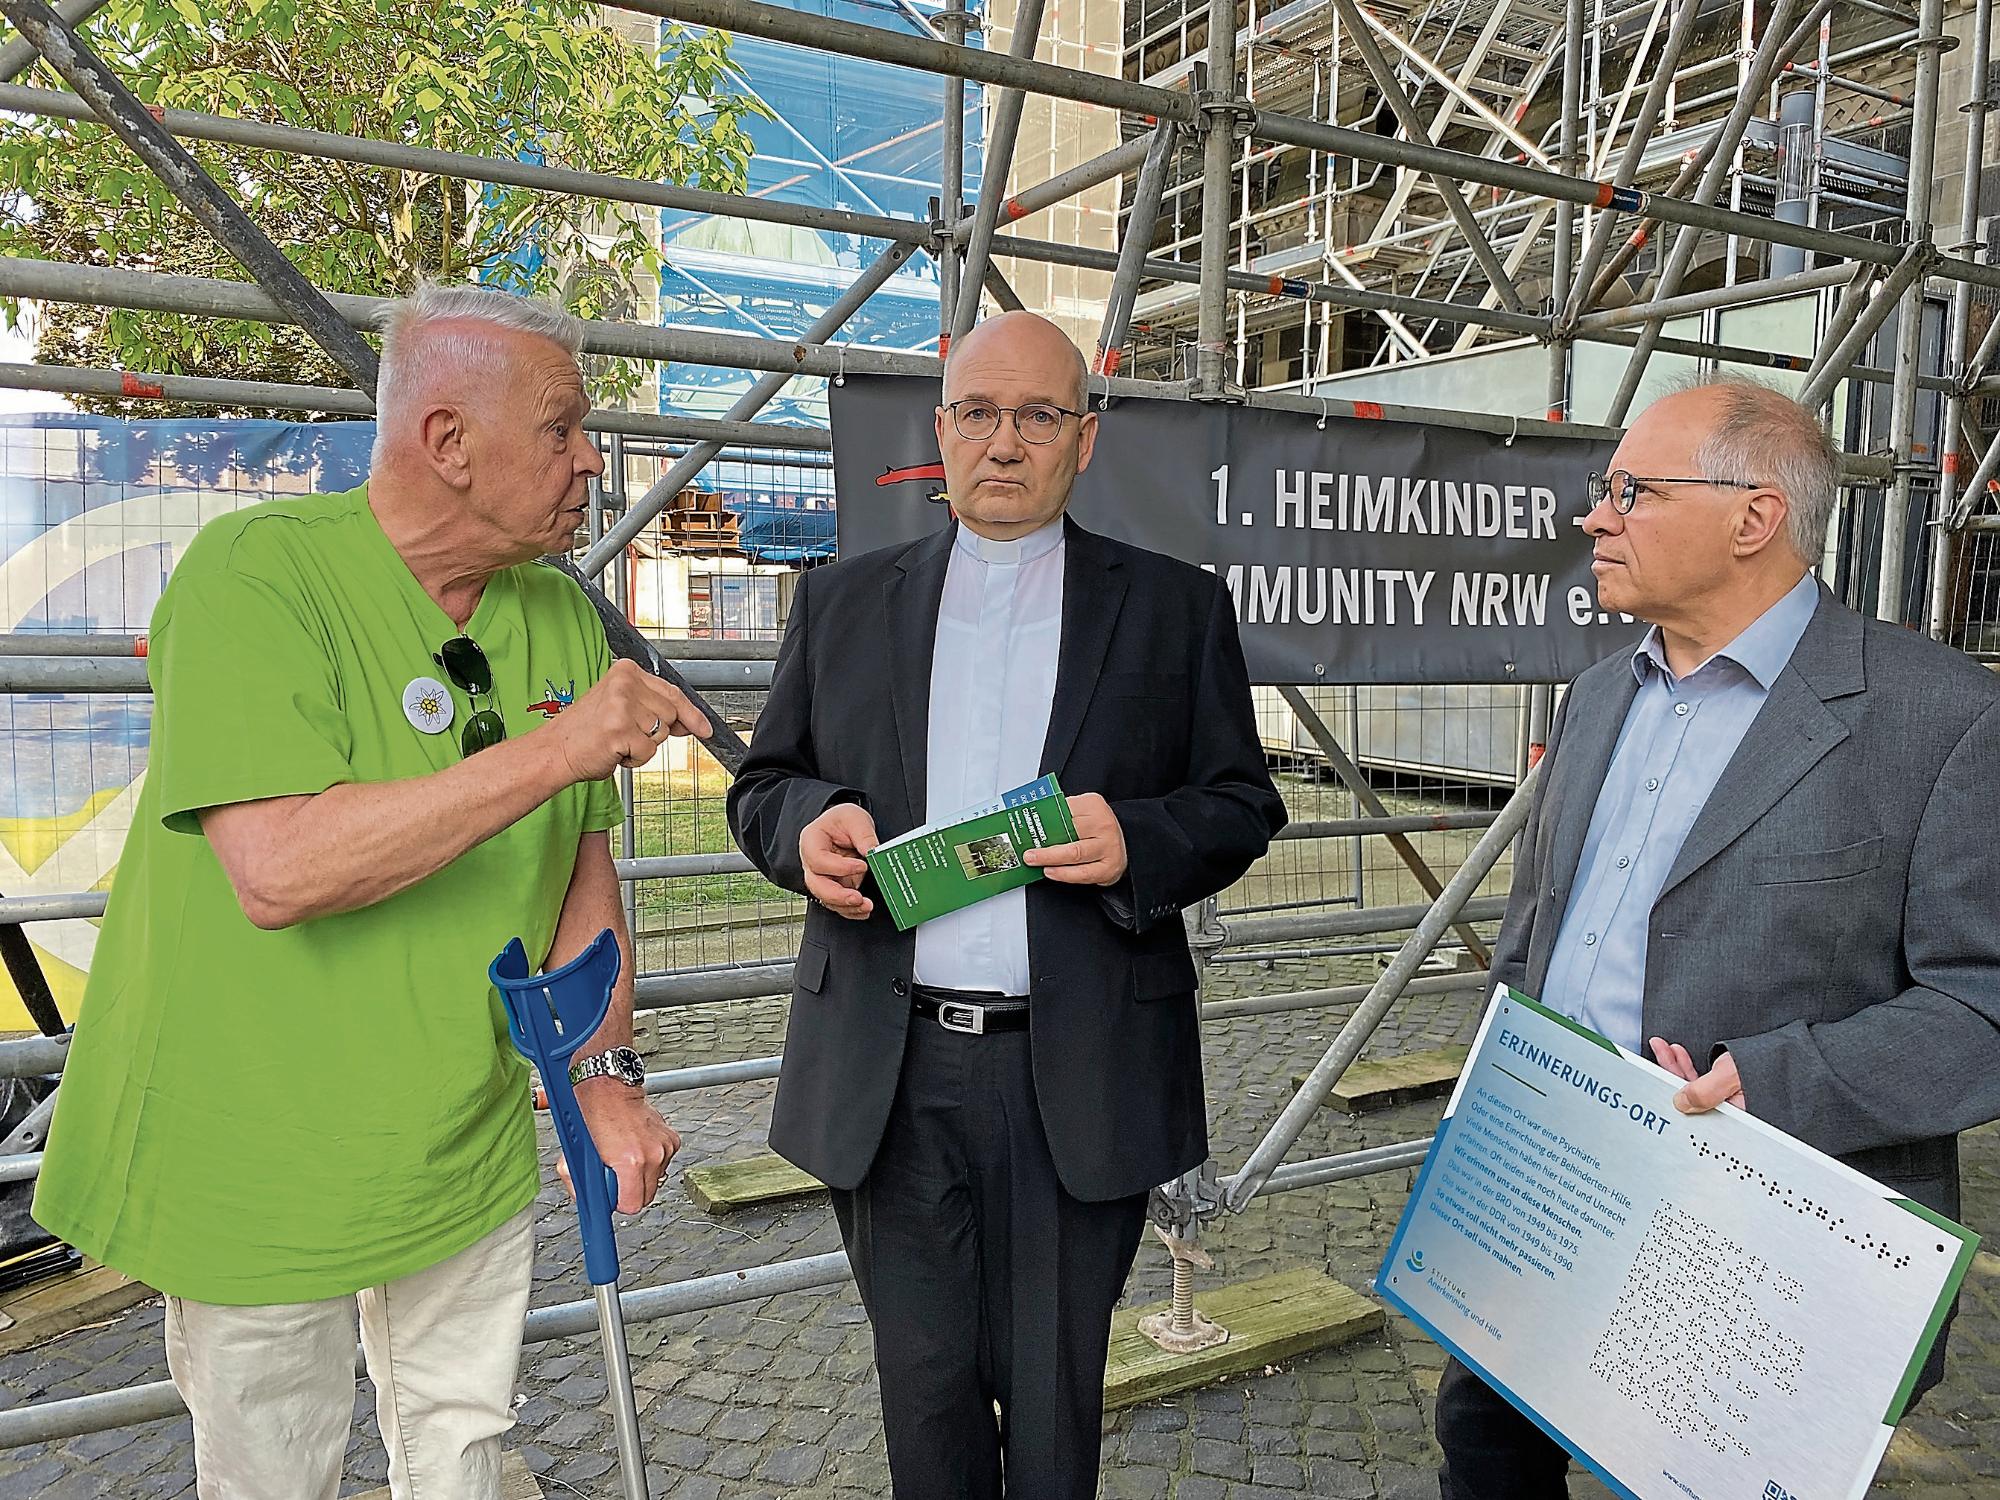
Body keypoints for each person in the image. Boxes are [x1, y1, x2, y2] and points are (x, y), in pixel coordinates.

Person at [33, 285, 710, 1500]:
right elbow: (283, 868)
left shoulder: (555, 612)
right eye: (561, 428)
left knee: (463, 1454)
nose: (591, 459)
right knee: (274, 1471)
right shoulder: (256, 575)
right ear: (448, 442)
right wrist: (555, 749)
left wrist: (602, 1078)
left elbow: (580, 876)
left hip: (457, 1140)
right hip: (256, 1153)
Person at [727, 310, 1286, 1499]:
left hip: (1074, 1065)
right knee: (921, 1395)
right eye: (977, 413)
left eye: (1037, 415)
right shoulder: (841, 601)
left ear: (1084, 437)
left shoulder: (1172, 609)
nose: (1004, 441)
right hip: (891, 1065)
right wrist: (802, 829)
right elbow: (762, 786)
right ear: (938, 433)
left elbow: (1242, 804)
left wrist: (1137, 836)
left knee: (1050, 1405)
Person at [1435, 377, 2000, 1498]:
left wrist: (1770, 1081)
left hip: (1761, 1231)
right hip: (1551, 1185)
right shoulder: (1597, 695)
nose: (1592, 517)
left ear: (1753, 519)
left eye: (1629, 491)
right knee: (1486, 1453)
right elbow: (1538, 921)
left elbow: (1978, 1006)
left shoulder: (1940, 717)